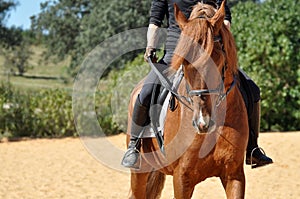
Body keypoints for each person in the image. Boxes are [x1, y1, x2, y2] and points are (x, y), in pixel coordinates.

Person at [121, 0, 273, 169]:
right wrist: (150, 46)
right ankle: (134, 145)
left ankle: (252, 148)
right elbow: (154, 22)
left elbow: (225, 21)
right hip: (177, 51)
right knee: (145, 93)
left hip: (211, 51)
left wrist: (222, 47)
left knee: (252, 90)